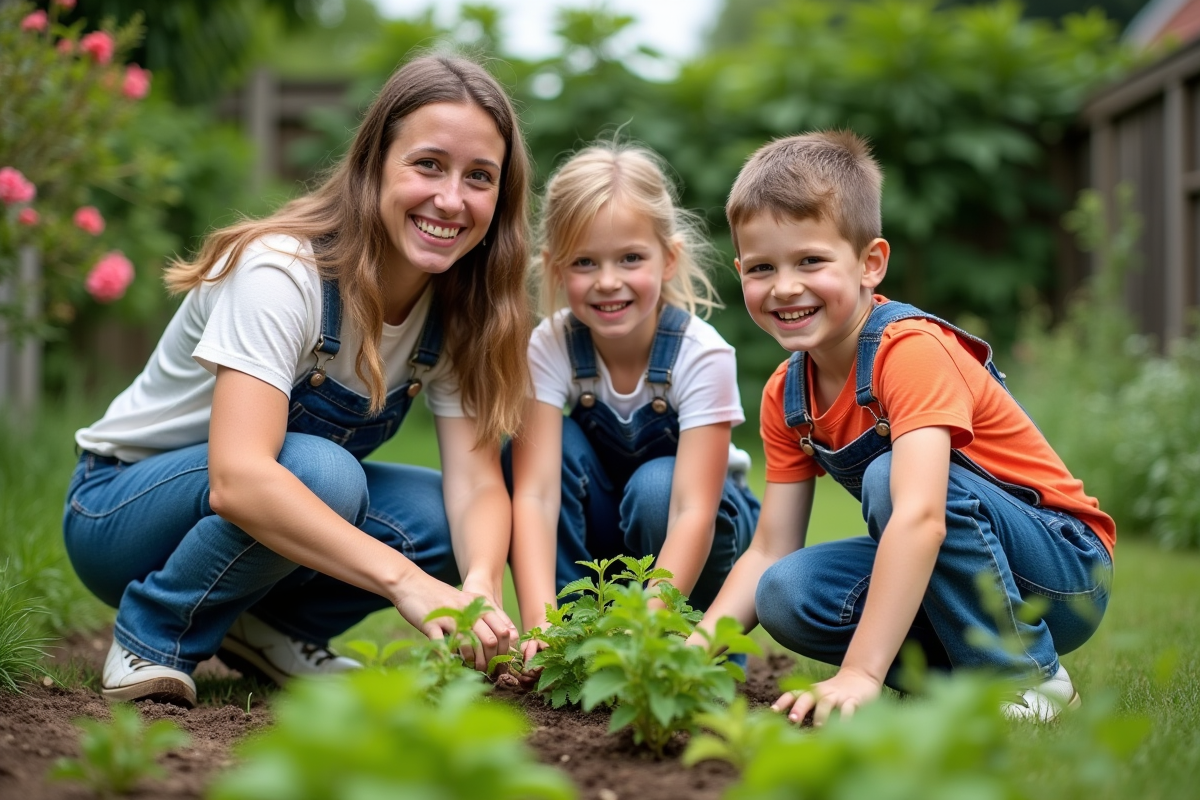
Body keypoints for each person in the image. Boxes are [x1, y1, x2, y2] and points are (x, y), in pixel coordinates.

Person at [63, 54, 532, 707]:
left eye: (479, 177)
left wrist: (480, 581)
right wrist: (408, 583)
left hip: (258, 516)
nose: (451, 199)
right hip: (120, 513)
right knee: (325, 473)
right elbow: (239, 478)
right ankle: (154, 636)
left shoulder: (457, 311)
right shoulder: (283, 272)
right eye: (428, 164)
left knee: (440, 517)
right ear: (374, 167)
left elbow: (478, 481)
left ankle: (273, 631)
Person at [689, 130, 1115, 724]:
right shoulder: (786, 395)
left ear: (870, 263)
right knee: (785, 594)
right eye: (762, 268)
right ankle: (971, 691)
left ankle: (1032, 680)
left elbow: (919, 515)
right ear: (740, 272)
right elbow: (769, 547)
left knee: (895, 478)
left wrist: (861, 672)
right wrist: (692, 652)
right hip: (955, 567)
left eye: (810, 260)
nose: (785, 287)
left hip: (1061, 571)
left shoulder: (908, 350)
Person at [508, 142, 760, 660]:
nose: (607, 281)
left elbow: (693, 510)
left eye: (630, 258)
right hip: (613, 530)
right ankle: (568, 640)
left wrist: (648, 622)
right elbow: (534, 495)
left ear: (668, 259)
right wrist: (537, 623)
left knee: (656, 488)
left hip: (706, 529)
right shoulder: (550, 344)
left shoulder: (702, 354)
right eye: (584, 262)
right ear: (555, 269)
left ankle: (693, 647)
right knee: (532, 453)